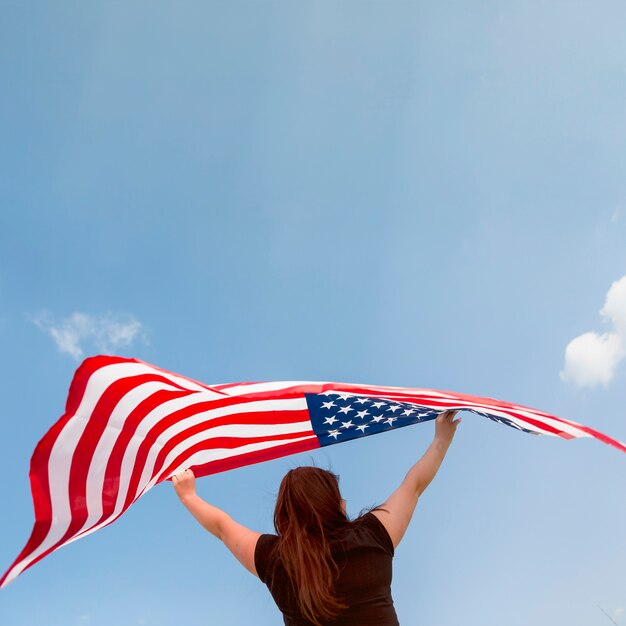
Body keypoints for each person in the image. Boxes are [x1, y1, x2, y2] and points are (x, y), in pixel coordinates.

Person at [172, 410, 461, 625]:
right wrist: (441, 439)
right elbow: (413, 485)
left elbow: (223, 527)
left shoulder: (277, 559)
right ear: (333, 501)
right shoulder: (371, 535)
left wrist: (189, 496)